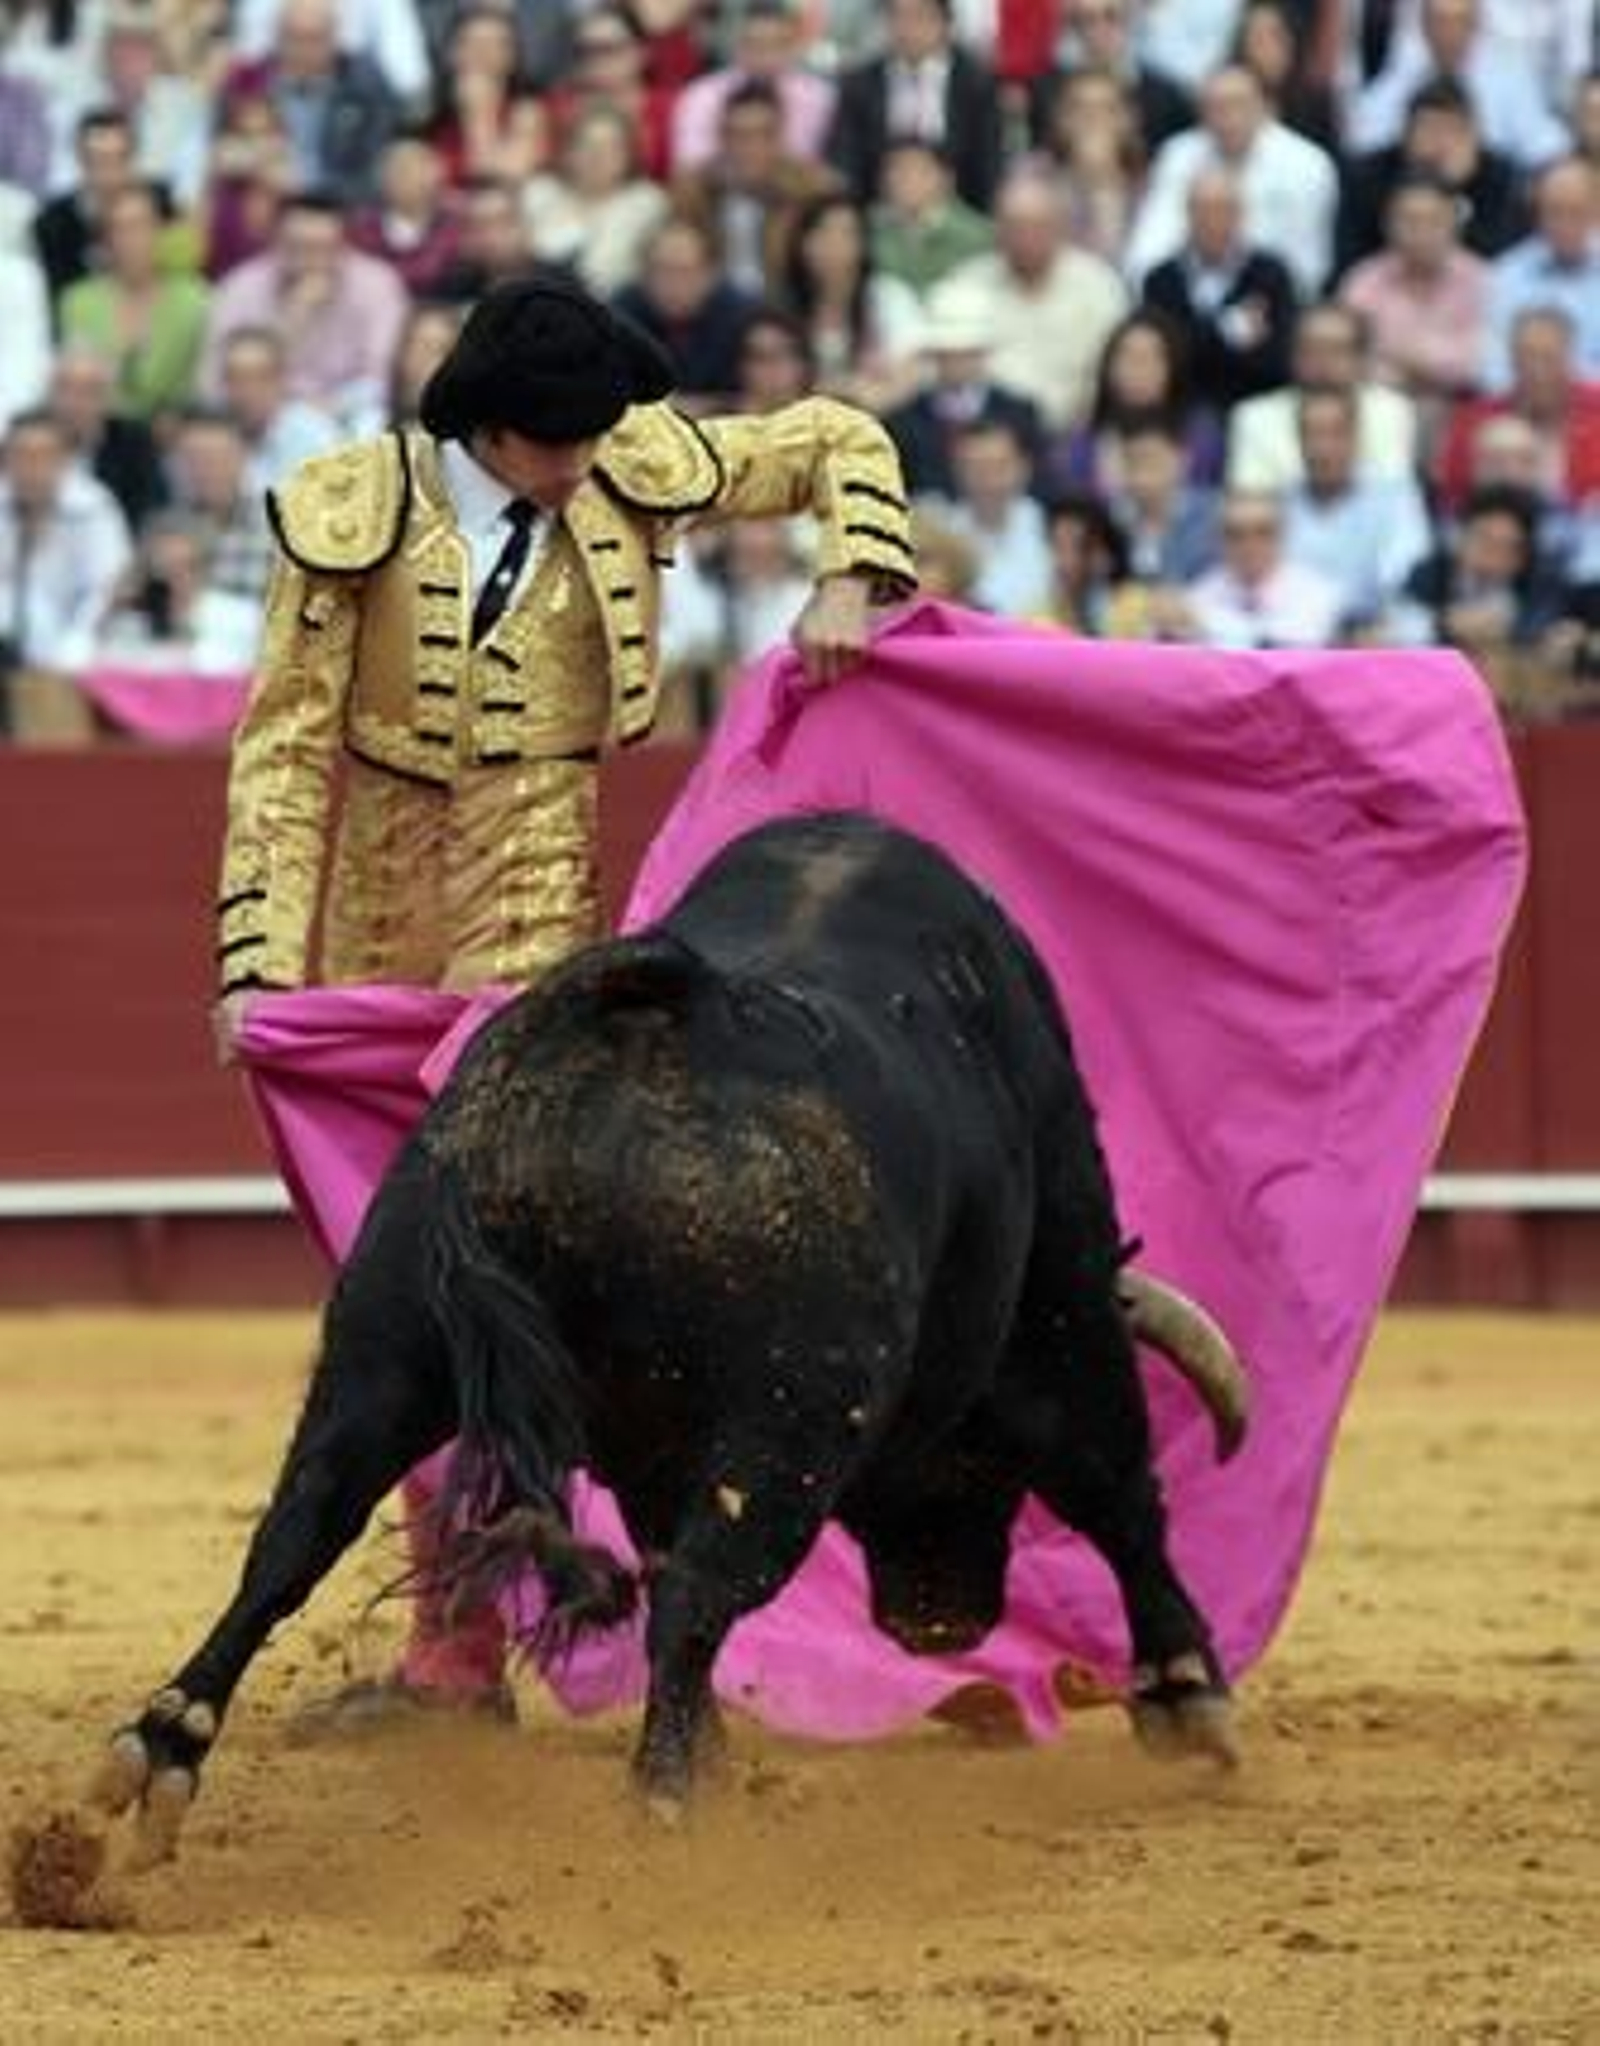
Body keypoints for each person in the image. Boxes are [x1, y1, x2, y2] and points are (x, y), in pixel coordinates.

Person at [212, 269, 916, 1713]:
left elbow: (838, 434)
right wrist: (258, 965)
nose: (588, 462)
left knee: (544, 1259)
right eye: (556, 443)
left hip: (540, 886)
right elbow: (283, 750)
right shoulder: (351, 511)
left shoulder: (631, 464)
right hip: (373, 916)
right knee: (397, 1287)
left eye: (598, 436)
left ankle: (627, 1627)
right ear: (486, 426)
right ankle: (457, 1649)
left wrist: (854, 570)